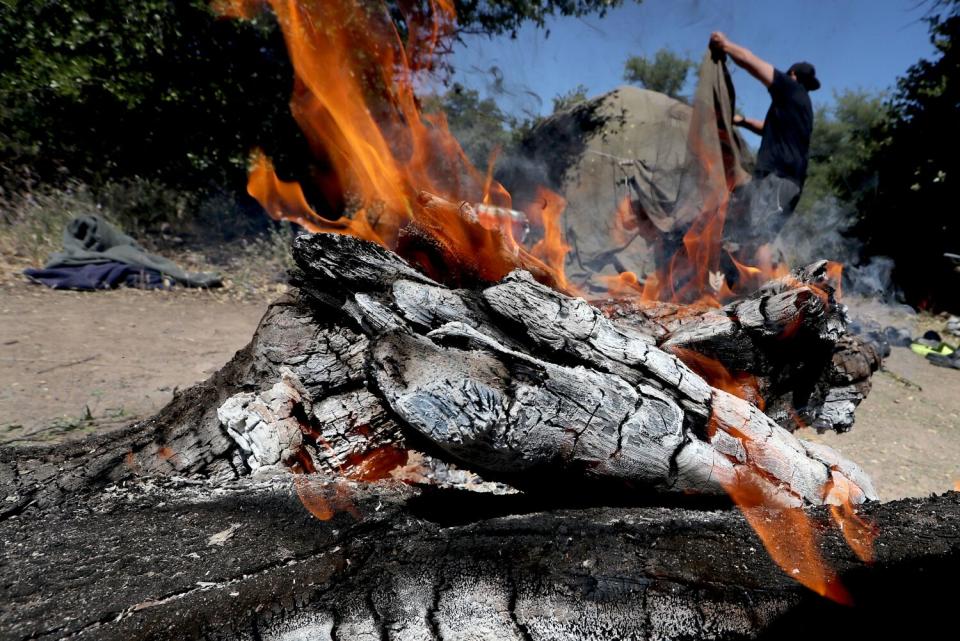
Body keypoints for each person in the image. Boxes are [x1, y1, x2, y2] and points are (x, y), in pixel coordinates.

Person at [707, 31, 821, 270]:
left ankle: (763, 298)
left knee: (759, 240)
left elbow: (752, 62)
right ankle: (756, 294)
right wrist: (742, 121)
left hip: (776, 179)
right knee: (759, 237)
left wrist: (726, 45)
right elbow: (767, 128)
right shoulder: (802, 106)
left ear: (792, 75)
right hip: (792, 184)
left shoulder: (789, 89)